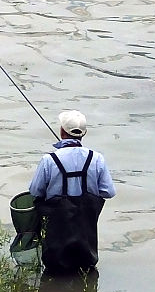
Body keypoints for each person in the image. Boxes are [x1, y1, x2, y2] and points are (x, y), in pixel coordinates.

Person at [28, 110, 116, 274]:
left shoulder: (49, 160)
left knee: (53, 272)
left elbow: (35, 191)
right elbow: (109, 192)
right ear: (84, 133)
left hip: (56, 238)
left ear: (61, 131)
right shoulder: (96, 159)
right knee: (86, 271)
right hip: (86, 240)